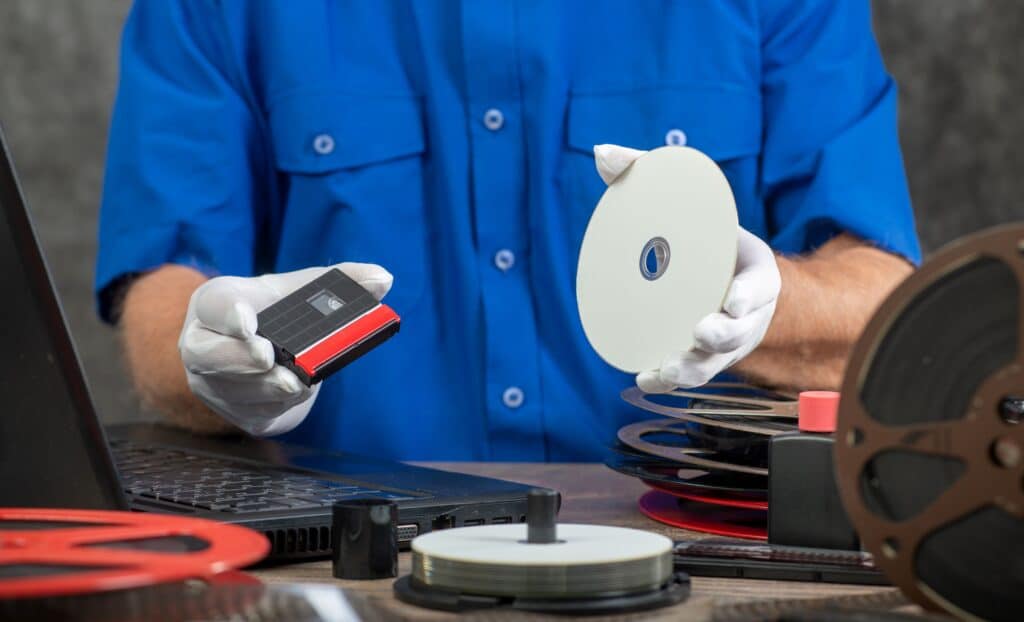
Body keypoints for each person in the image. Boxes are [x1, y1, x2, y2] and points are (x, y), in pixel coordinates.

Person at [97, 1, 918, 461]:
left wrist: (772, 306)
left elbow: (880, 303)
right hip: (353, 563)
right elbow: (165, 285)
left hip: (697, 562)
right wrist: (210, 359)